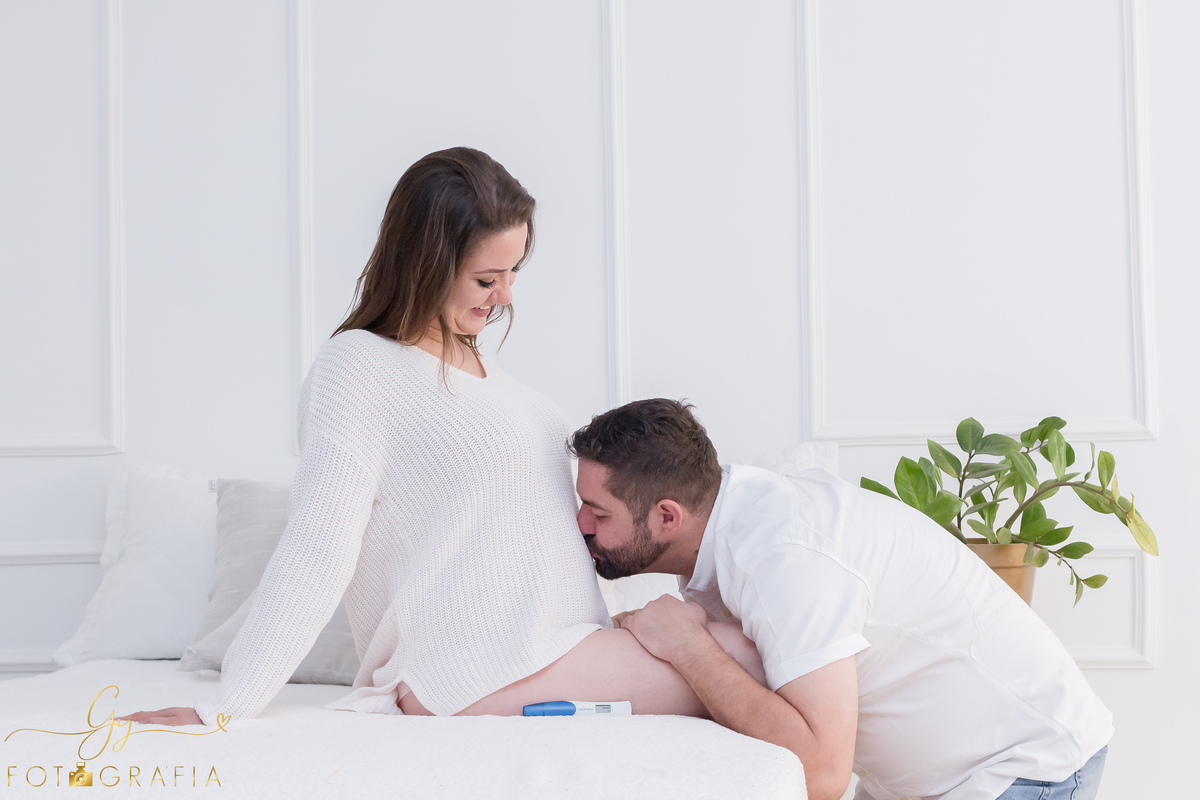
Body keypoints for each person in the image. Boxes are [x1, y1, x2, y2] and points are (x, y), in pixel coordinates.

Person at [119, 148, 762, 729]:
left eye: (514, 271)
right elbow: (318, 547)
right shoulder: (359, 366)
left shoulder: (491, 378)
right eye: (486, 279)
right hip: (474, 669)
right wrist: (229, 703)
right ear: (426, 264)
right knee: (753, 656)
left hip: (554, 650)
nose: (505, 296)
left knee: (755, 640)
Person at [569, 398, 1112, 800]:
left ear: (668, 516)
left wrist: (686, 645)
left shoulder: (782, 557)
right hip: (919, 779)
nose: (580, 523)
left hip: (1021, 771)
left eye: (599, 512)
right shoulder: (732, 523)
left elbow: (821, 776)